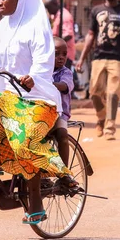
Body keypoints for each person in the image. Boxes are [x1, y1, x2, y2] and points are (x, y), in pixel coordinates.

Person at [0, 0, 77, 225]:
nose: (0, 2)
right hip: (8, 96)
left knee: (23, 139)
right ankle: (0, 158)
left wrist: (33, 77)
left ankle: (38, 199)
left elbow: (43, 60)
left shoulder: (37, 27)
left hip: (37, 98)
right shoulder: (3, 27)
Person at [75, 0, 120, 140]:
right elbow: (90, 35)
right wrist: (81, 59)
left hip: (118, 59)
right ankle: (101, 117)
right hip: (98, 57)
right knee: (94, 92)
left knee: (113, 93)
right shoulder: (96, 10)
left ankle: (110, 127)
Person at [51, 36, 74, 165]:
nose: (61, 57)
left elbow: (65, 86)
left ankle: (65, 174)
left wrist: (49, 84)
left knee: (62, 135)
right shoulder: (41, 71)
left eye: (64, 54)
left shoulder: (66, 73)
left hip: (59, 113)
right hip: (39, 110)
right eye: (56, 54)